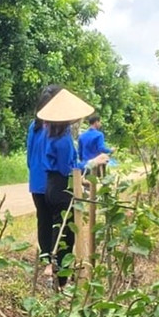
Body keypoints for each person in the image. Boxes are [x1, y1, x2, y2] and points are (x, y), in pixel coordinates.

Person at [42, 118, 108, 288]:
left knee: (59, 227)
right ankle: (60, 279)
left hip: (52, 184)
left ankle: (58, 276)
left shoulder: (52, 135)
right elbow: (68, 169)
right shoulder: (63, 140)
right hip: (61, 187)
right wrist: (93, 162)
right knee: (65, 232)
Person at [27, 85, 62, 268]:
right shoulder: (58, 128)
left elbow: (29, 155)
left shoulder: (34, 126)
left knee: (43, 219)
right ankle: (55, 260)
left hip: (36, 181)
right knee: (58, 220)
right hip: (53, 181)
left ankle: (45, 256)